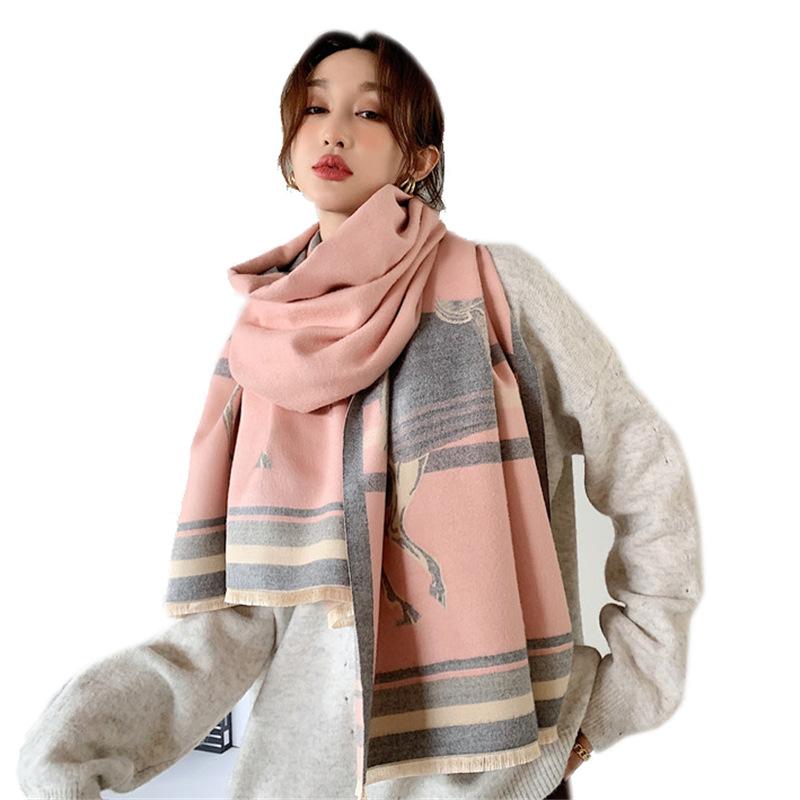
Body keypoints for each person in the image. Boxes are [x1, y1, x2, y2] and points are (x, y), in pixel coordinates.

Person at [17, 31, 703, 800]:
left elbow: (642, 463)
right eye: (314, 109)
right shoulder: (262, 346)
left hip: (499, 775)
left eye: (369, 113)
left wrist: (630, 688)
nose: (334, 131)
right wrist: (70, 747)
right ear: (289, 152)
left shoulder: (498, 290)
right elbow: (237, 624)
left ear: (420, 159)